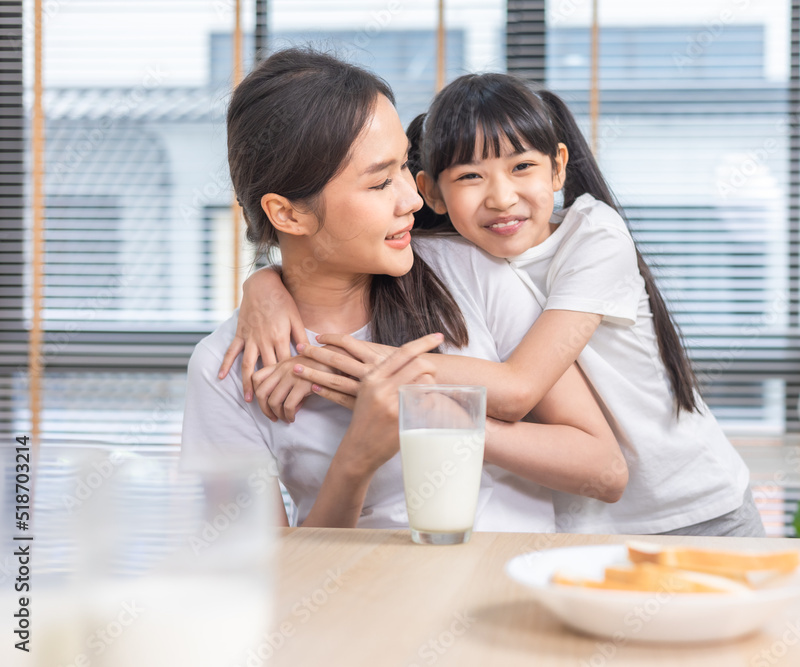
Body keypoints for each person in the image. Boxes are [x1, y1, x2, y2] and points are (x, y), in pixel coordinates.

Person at [225, 72, 763, 537]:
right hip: (589, 525)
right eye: (470, 177)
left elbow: (520, 387)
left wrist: (381, 374)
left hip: (695, 505)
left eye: (522, 167)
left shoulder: (593, 236)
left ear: (558, 169)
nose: (501, 197)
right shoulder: (458, 253)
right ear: (432, 193)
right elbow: (322, 255)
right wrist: (265, 285)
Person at [182, 49, 627, 530]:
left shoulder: (470, 270)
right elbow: (259, 580)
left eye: (403, 168)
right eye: (379, 184)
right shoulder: (227, 370)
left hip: (511, 589)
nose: (413, 198)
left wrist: (432, 412)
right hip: (367, 601)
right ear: (288, 214)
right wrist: (356, 459)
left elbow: (605, 471)